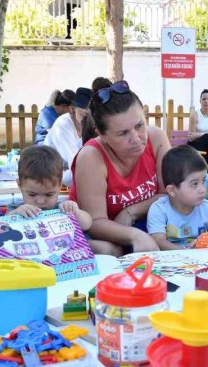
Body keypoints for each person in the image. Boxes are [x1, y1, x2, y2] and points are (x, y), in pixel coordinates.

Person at [70, 80, 171, 254]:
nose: (136, 138)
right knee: (109, 250)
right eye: (123, 133)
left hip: (144, 222)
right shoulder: (91, 157)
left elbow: (169, 193)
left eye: (139, 125)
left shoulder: (157, 138)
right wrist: (136, 236)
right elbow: (95, 222)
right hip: (101, 233)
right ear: (102, 135)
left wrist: (131, 212)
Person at [147, 145, 208, 250]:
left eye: (204, 181)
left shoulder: (207, 208)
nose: (203, 189)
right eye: (194, 184)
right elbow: (159, 242)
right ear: (172, 190)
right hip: (170, 264)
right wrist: (187, 253)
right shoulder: (159, 209)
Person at [8, 144, 96, 229]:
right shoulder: (17, 209)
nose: (41, 201)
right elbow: (1, 225)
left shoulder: (61, 209)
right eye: (32, 194)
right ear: (20, 185)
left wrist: (76, 212)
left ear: (60, 185)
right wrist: (14, 214)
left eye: (49, 194)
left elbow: (87, 225)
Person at [43, 87, 93, 187]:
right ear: (72, 110)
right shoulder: (63, 124)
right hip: (50, 169)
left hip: (69, 171)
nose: (88, 119)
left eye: (91, 116)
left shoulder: (89, 125)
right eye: (84, 115)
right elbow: (76, 165)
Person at [186, 88, 208, 178]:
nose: (206, 101)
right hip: (196, 144)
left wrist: (203, 134)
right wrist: (204, 135)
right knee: (207, 138)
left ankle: (206, 173)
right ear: (200, 101)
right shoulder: (195, 115)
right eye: (204, 99)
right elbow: (191, 137)